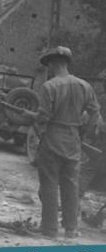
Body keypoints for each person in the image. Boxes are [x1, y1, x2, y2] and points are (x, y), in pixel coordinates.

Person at [25, 47, 101, 238]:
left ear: (52, 64)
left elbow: (43, 118)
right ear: (66, 63)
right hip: (73, 140)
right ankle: (71, 229)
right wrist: (81, 132)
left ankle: (49, 229)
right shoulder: (85, 86)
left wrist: (29, 116)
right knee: (71, 184)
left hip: (52, 139)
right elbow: (95, 114)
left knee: (49, 183)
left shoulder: (50, 86)